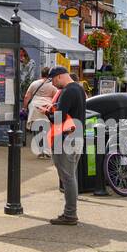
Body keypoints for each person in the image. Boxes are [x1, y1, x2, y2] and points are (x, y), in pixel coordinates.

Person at [41, 67, 86, 225]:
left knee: (67, 178)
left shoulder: (67, 91)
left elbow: (59, 118)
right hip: (78, 137)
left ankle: (70, 214)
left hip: (66, 139)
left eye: (53, 80)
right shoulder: (79, 89)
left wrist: (47, 113)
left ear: (60, 76)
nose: (53, 84)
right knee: (71, 176)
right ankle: (70, 212)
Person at [24, 68, 59, 159]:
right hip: (47, 108)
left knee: (37, 130)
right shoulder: (52, 85)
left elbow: (27, 96)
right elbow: (56, 98)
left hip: (35, 108)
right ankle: (47, 152)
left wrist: (25, 107)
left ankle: (40, 151)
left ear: (41, 74)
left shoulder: (34, 83)